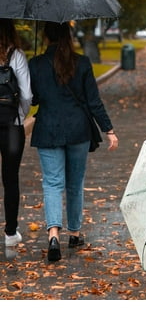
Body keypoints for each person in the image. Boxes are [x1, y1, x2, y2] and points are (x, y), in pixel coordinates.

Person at [29, 22, 118, 262]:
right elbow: (93, 102)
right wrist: (108, 129)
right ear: (68, 36)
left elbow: (33, 99)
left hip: (48, 129)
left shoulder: (36, 64)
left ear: (46, 37)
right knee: (74, 183)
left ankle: (53, 235)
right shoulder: (82, 63)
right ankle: (75, 233)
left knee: (52, 183)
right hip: (78, 130)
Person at [0, 19, 32, 247]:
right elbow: (27, 94)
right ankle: (10, 233)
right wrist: (21, 114)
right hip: (12, 124)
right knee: (10, 179)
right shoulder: (17, 55)